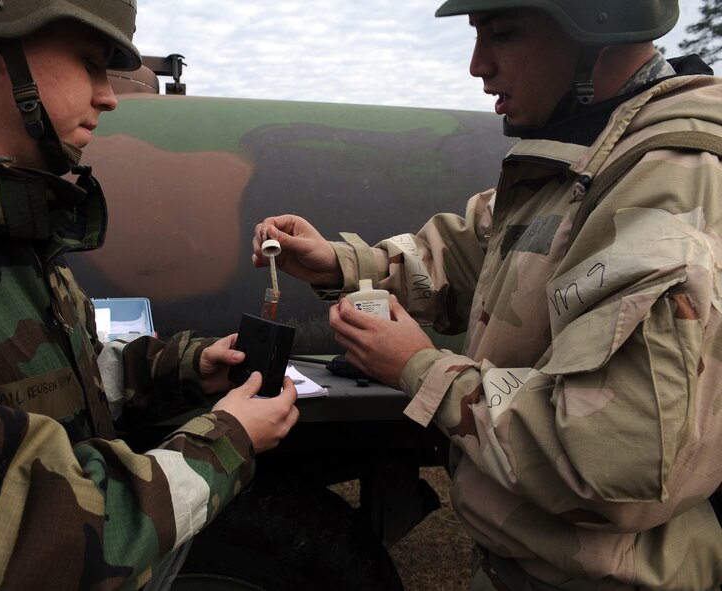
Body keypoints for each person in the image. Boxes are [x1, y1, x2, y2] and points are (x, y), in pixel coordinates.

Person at [253, 0, 722, 589]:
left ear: (597, 31)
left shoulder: (670, 174)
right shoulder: (577, 157)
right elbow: (471, 253)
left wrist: (421, 369)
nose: (478, 66)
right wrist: (339, 262)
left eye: (501, 34)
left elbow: (615, 469)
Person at [0, 1, 299, 590]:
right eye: (89, 63)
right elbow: (4, 540)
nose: (109, 96)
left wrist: (186, 368)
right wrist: (227, 442)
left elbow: (60, 370)